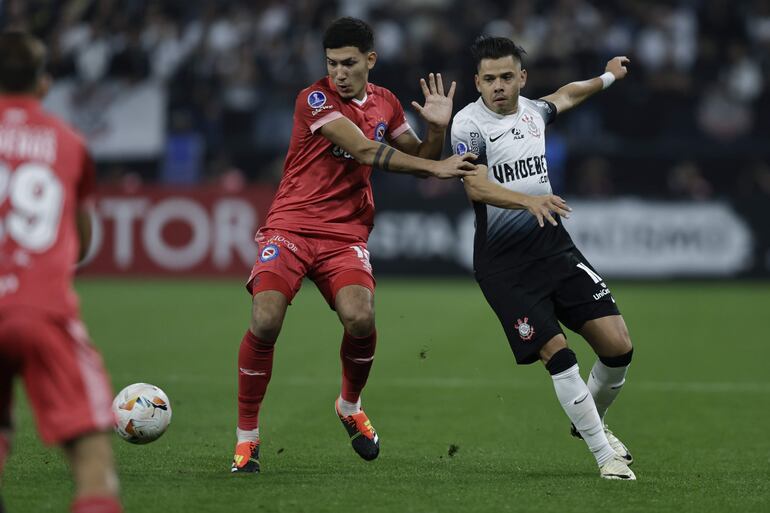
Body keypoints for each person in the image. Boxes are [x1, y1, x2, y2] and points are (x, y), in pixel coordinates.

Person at [231, 17, 476, 474]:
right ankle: (247, 437)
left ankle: (349, 405)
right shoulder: (314, 98)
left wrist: (438, 133)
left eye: (348, 63)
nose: (339, 72)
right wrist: (438, 168)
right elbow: (365, 151)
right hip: (292, 225)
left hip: (345, 232)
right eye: (332, 63)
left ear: (370, 60)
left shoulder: (386, 103)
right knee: (265, 319)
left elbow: (420, 158)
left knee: (360, 317)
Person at [450, 36, 636, 480]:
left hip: (554, 246)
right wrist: (526, 201)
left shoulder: (533, 112)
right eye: (489, 78)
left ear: (522, 78)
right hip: (504, 264)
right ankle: (604, 456)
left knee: (619, 347)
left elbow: (568, 93)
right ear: (477, 81)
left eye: (507, 77)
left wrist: (609, 75)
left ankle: (588, 420)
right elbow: (474, 186)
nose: (498, 86)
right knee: (559, 354)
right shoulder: (468, 125)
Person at [0, 31, 122, 511]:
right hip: (40, 310)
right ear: (45, 83)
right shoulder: (69, 143)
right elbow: (82, 243)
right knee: (92, 460)